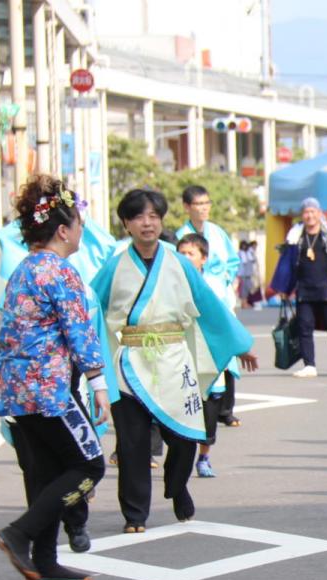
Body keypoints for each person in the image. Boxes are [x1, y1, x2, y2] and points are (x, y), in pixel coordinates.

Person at [91, 188, 258, 534]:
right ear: (126, 224)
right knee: (133, 443)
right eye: (139, 217)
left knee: (184, 438)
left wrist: (239, 344)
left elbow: (208, 303)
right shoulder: (115, 266)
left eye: (153, 216)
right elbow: (91, 305)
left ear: (162, 220)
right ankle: (135, 514)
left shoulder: (179, 263)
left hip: (172, 359)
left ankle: (177, 485)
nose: (147, 223)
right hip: (129, 361)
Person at [0, 175, 111, 580]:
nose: (82, 231)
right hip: (50, 390)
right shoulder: (60, 271)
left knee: (45, 474)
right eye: (79, 224)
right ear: (62, 230)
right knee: (89, 466)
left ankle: (43, 562)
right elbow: (79, 330)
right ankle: (19, 533)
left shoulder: (23, 269)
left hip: (16, 392)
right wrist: (98, 383)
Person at [270, 197, 327, 377]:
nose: (309, 215)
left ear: (319, 214)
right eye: (306, 212)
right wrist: (285, 288)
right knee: (304, 327)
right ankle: (309, 365)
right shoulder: (295, 237)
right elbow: (287, 264)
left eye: (313, 211)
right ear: (302, 215)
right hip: (304, 290)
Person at [177, 185, 243, 426]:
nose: (203, 208)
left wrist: (224, 279)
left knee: (226, 350)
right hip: (193, 299)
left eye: (206, 203)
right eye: (198, 204)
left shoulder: (217, 232)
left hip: (219, 293)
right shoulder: (182, 235)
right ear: (187, 207)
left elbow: (232, 261)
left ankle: (226, 408)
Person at [176, 234, 227, 479]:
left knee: (208, 412)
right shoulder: (169, 282)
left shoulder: (214, 285)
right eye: (182, 253)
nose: (186, 258)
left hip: (209, 355)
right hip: (178, 356)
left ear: (203, 258)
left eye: (191, 253)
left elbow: (225, 320)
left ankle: (204, 457)